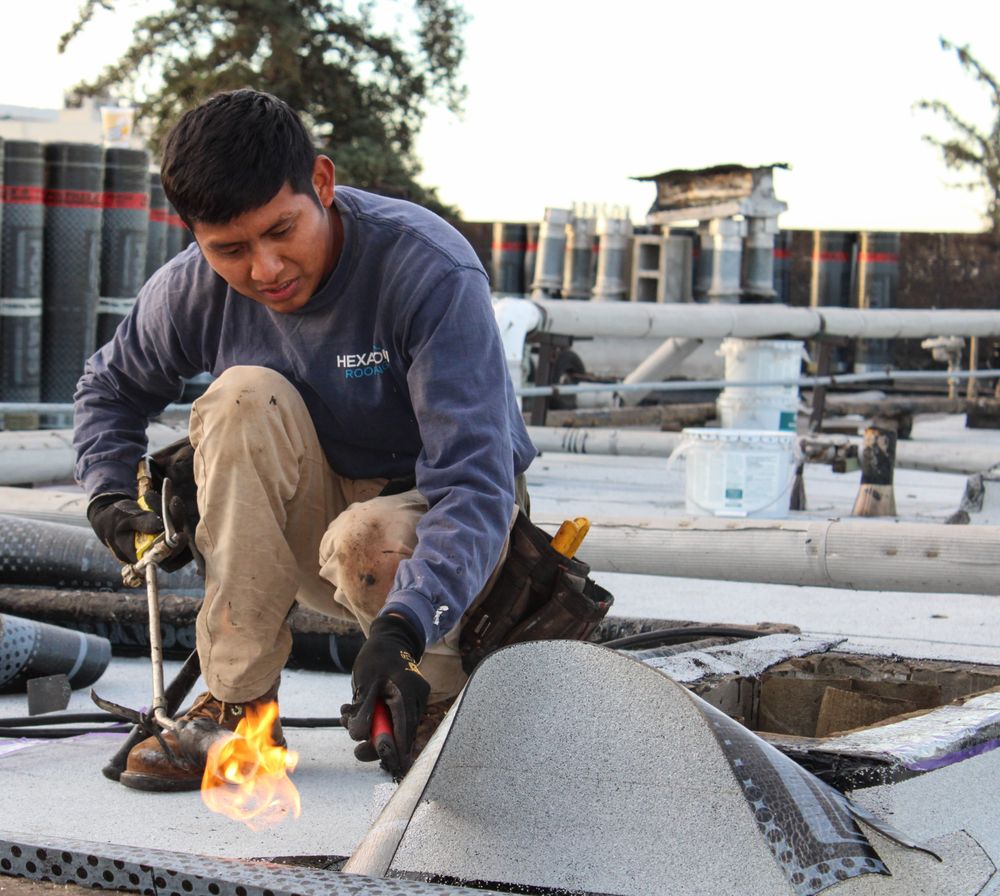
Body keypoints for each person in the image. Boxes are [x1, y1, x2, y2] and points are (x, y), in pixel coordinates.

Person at [73, 88, 536, 791]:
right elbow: (109, 389)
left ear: (321, 184)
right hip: (312, 532)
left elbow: (472, 482)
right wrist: (108, 493)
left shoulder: (427, 270)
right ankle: (240, 705)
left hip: (438, 531)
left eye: (282, 230)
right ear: (193, 234)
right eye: (230, 249)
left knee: (367, 539)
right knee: (238, 397)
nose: (265, 270)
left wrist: (405, 626)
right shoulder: (191, 290)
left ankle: (437, 694)